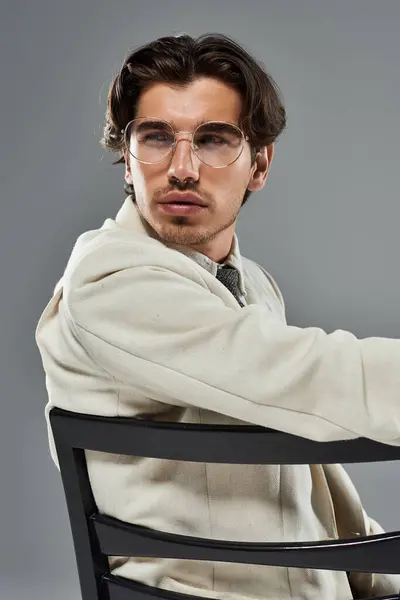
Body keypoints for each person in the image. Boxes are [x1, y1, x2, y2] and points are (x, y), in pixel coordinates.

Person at [35, 33, 400, 599]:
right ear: (127, 162)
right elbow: (306, 374)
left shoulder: (249, 283)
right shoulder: (108, 283)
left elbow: (309, 471)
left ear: (259, 165)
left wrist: (376, 574)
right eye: (155, 138)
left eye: (212, 140)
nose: (182, 168)